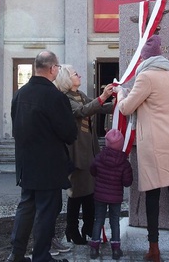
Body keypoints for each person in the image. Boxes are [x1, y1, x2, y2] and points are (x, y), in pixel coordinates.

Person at [116, 35, 169, 262]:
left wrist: (121, 92)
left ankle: (154, 249)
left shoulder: (146, 77)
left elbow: (127, 108)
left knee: (152, 197)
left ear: (145, 57)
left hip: (154, 143)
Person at [7, 51, 78, 262]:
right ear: (52, 69)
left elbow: (16, 127)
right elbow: (69, 134)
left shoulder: (20, 94)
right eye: (57, 68)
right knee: (46, 211)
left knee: (26, 207)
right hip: (48, 165)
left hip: (26, 163)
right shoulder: (55, 97)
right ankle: (41, 256)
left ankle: (16, 254)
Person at [52, 64, 114, 246]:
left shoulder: (80, 95)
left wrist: (120, 103)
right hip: (76, 151)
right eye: (74, 73)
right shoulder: (65, 98)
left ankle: (88, 227)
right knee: (77, 192)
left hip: (90, 149)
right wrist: (103, 97)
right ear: (66, 79)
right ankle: (71, 229)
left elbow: (98, 107)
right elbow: (83, 111)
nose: (78, 75)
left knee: (90, 191)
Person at [88, 128, 133, 260]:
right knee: (115, 221)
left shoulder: (99, 157)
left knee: (98, 220)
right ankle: (116, 249)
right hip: (116, 197)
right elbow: (127, 182)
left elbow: (92, 171)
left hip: (100, 196)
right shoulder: (124, 163)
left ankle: (94, 248)